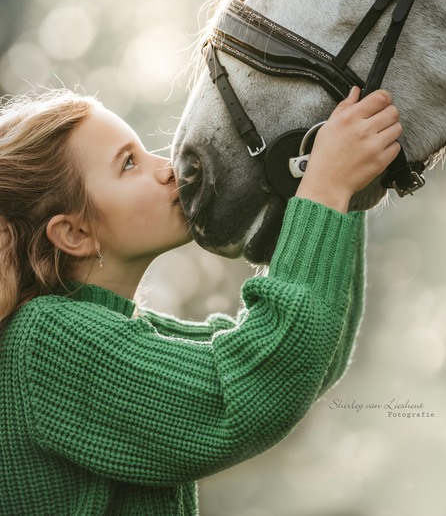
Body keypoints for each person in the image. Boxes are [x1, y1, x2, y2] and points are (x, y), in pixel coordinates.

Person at [0, 84, 401, 516]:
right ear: (75, 233)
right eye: (129, 164)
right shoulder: (45, 343)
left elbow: (311, 361)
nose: (167, 168)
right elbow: (255, 385)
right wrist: (327, 186)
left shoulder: (105, 332)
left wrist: (348, 180)